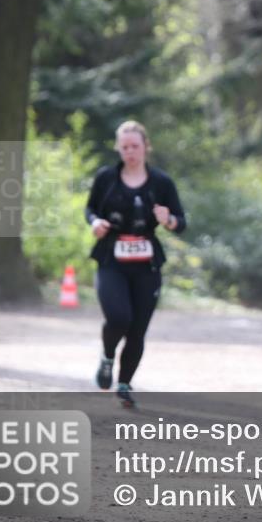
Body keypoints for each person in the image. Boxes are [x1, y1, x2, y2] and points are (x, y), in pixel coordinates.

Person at [85, 120, 187, 408]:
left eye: (135, 146)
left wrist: (168, 219)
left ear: (146, 147)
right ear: (119, 148)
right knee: (118, 317)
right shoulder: (106, 178)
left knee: (137, 328)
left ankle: (125, 382)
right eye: (124, 147)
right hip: (111, 258)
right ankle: (107, 357)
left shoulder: (161, 183)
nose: (129, 152)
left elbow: (181, 222)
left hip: (147, 264)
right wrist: (95, 223)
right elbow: (90, 208)